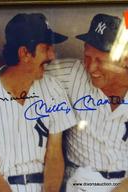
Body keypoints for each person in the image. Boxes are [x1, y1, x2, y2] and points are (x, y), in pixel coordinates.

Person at [0, 13, 76, 192]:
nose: (52, 55)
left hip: (43, 186)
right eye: (46, 48)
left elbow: (54, 156)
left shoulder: (53, 88)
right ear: (24, 53)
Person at [45, 13, 128, 192]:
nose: (90, 68)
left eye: (100, 61)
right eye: (87, 56)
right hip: (81, 182)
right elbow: (23, 68)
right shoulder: (71, 73)